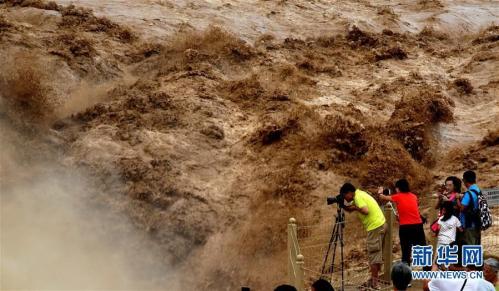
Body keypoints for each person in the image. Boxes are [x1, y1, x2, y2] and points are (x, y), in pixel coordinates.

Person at [341, 182, 386, 289]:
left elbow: (365, 210)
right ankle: (375, 279)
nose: (344, 198)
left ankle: (375, 284)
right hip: (381, 224)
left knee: (373, 255)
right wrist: (345, 206)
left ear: (349, 193)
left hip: (374, 227)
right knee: (377, 254)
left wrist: (355, 207)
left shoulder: (357, 198)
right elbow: (354, 208)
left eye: (344, 196)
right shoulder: (360, 193)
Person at [378, 179, 426, 266]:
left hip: (406, 227)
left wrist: (380, 192)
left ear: (398, 188)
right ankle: (427, 272)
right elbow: (411, 209)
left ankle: (405, 273)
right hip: (418, 225)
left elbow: (383, 198)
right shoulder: (414, 196)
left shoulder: (398, 196)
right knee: (423, 249)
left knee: (406, 251)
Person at [456, 170, 481, 247]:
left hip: (469, 224)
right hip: (477, 222)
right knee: (476, 245)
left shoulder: (469, 193)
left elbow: (462, 208)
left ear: (465, 180)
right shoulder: (477, 190)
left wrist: (457, 198)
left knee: (470, 247)